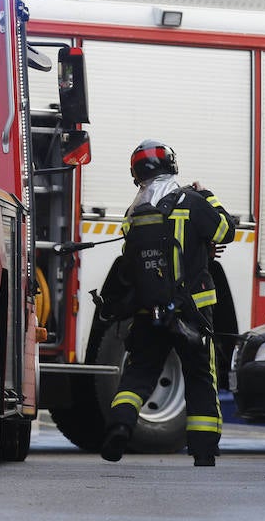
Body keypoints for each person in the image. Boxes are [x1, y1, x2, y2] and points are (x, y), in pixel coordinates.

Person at [100, 139, 234, 466]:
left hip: (149, 312)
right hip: (194, 311)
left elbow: (130, 263)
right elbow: (225, 230)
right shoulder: (191, 200)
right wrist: (208, 195)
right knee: (201, 376)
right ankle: (203, 452)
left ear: (137, 174)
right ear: (170, 166)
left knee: (138, 374)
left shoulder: (135, 214)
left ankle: (120, 425)